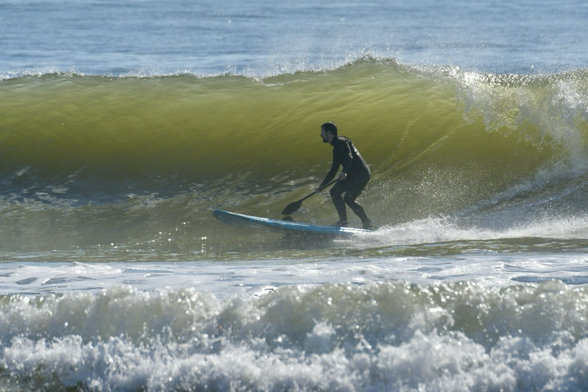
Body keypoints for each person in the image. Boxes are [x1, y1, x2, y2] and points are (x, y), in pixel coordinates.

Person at [316, 122, 374, 229]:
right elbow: (333, 169)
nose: (320, 134)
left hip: (357, 173)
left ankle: (343, 221)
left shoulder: (340, 141)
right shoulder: (336, 148)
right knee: (348, 199)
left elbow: (349, 156)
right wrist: (322, 185)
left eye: (322, 131)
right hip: (362, 174)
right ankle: (367, 223)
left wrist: (345, 171)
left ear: (328, 133)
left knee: (334, 192)